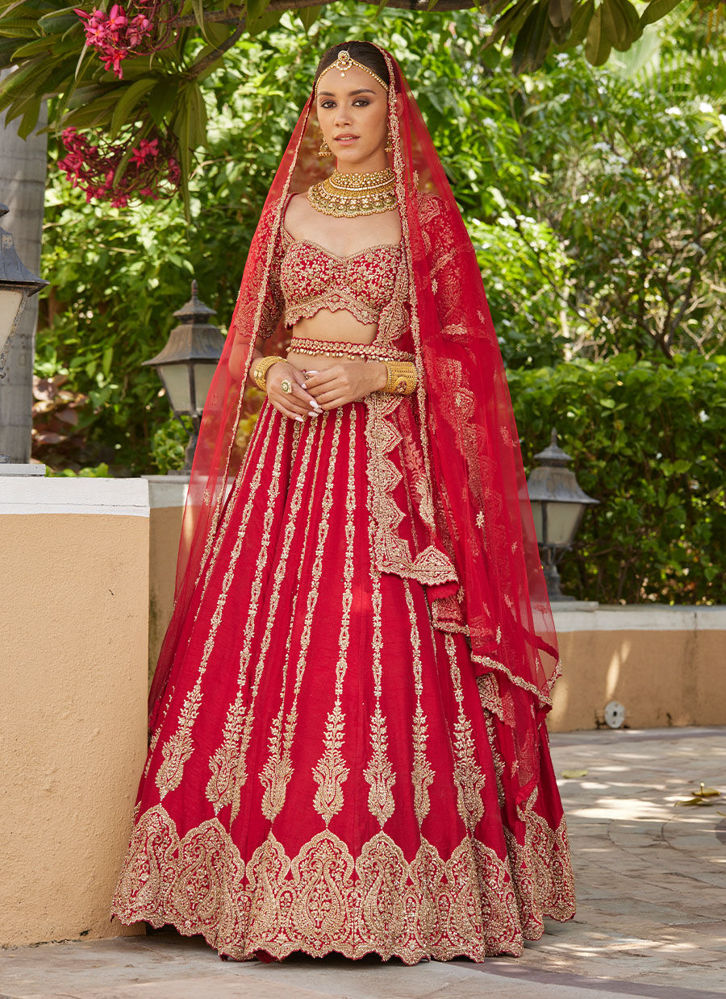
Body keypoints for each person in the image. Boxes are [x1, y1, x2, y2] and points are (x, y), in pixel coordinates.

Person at [110, 40, 575, 965]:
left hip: (389, 471)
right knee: (263, 647)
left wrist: (377, 371)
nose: (342, 119)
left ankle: (408, 894)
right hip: (286, 464)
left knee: (380, 656)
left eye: (360, 101)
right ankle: (234, 882)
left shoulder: (423, 221)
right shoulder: (288, 213)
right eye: (327, 103)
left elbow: (469, 363)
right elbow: (257, 341)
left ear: (392, 111)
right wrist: (276, 371)